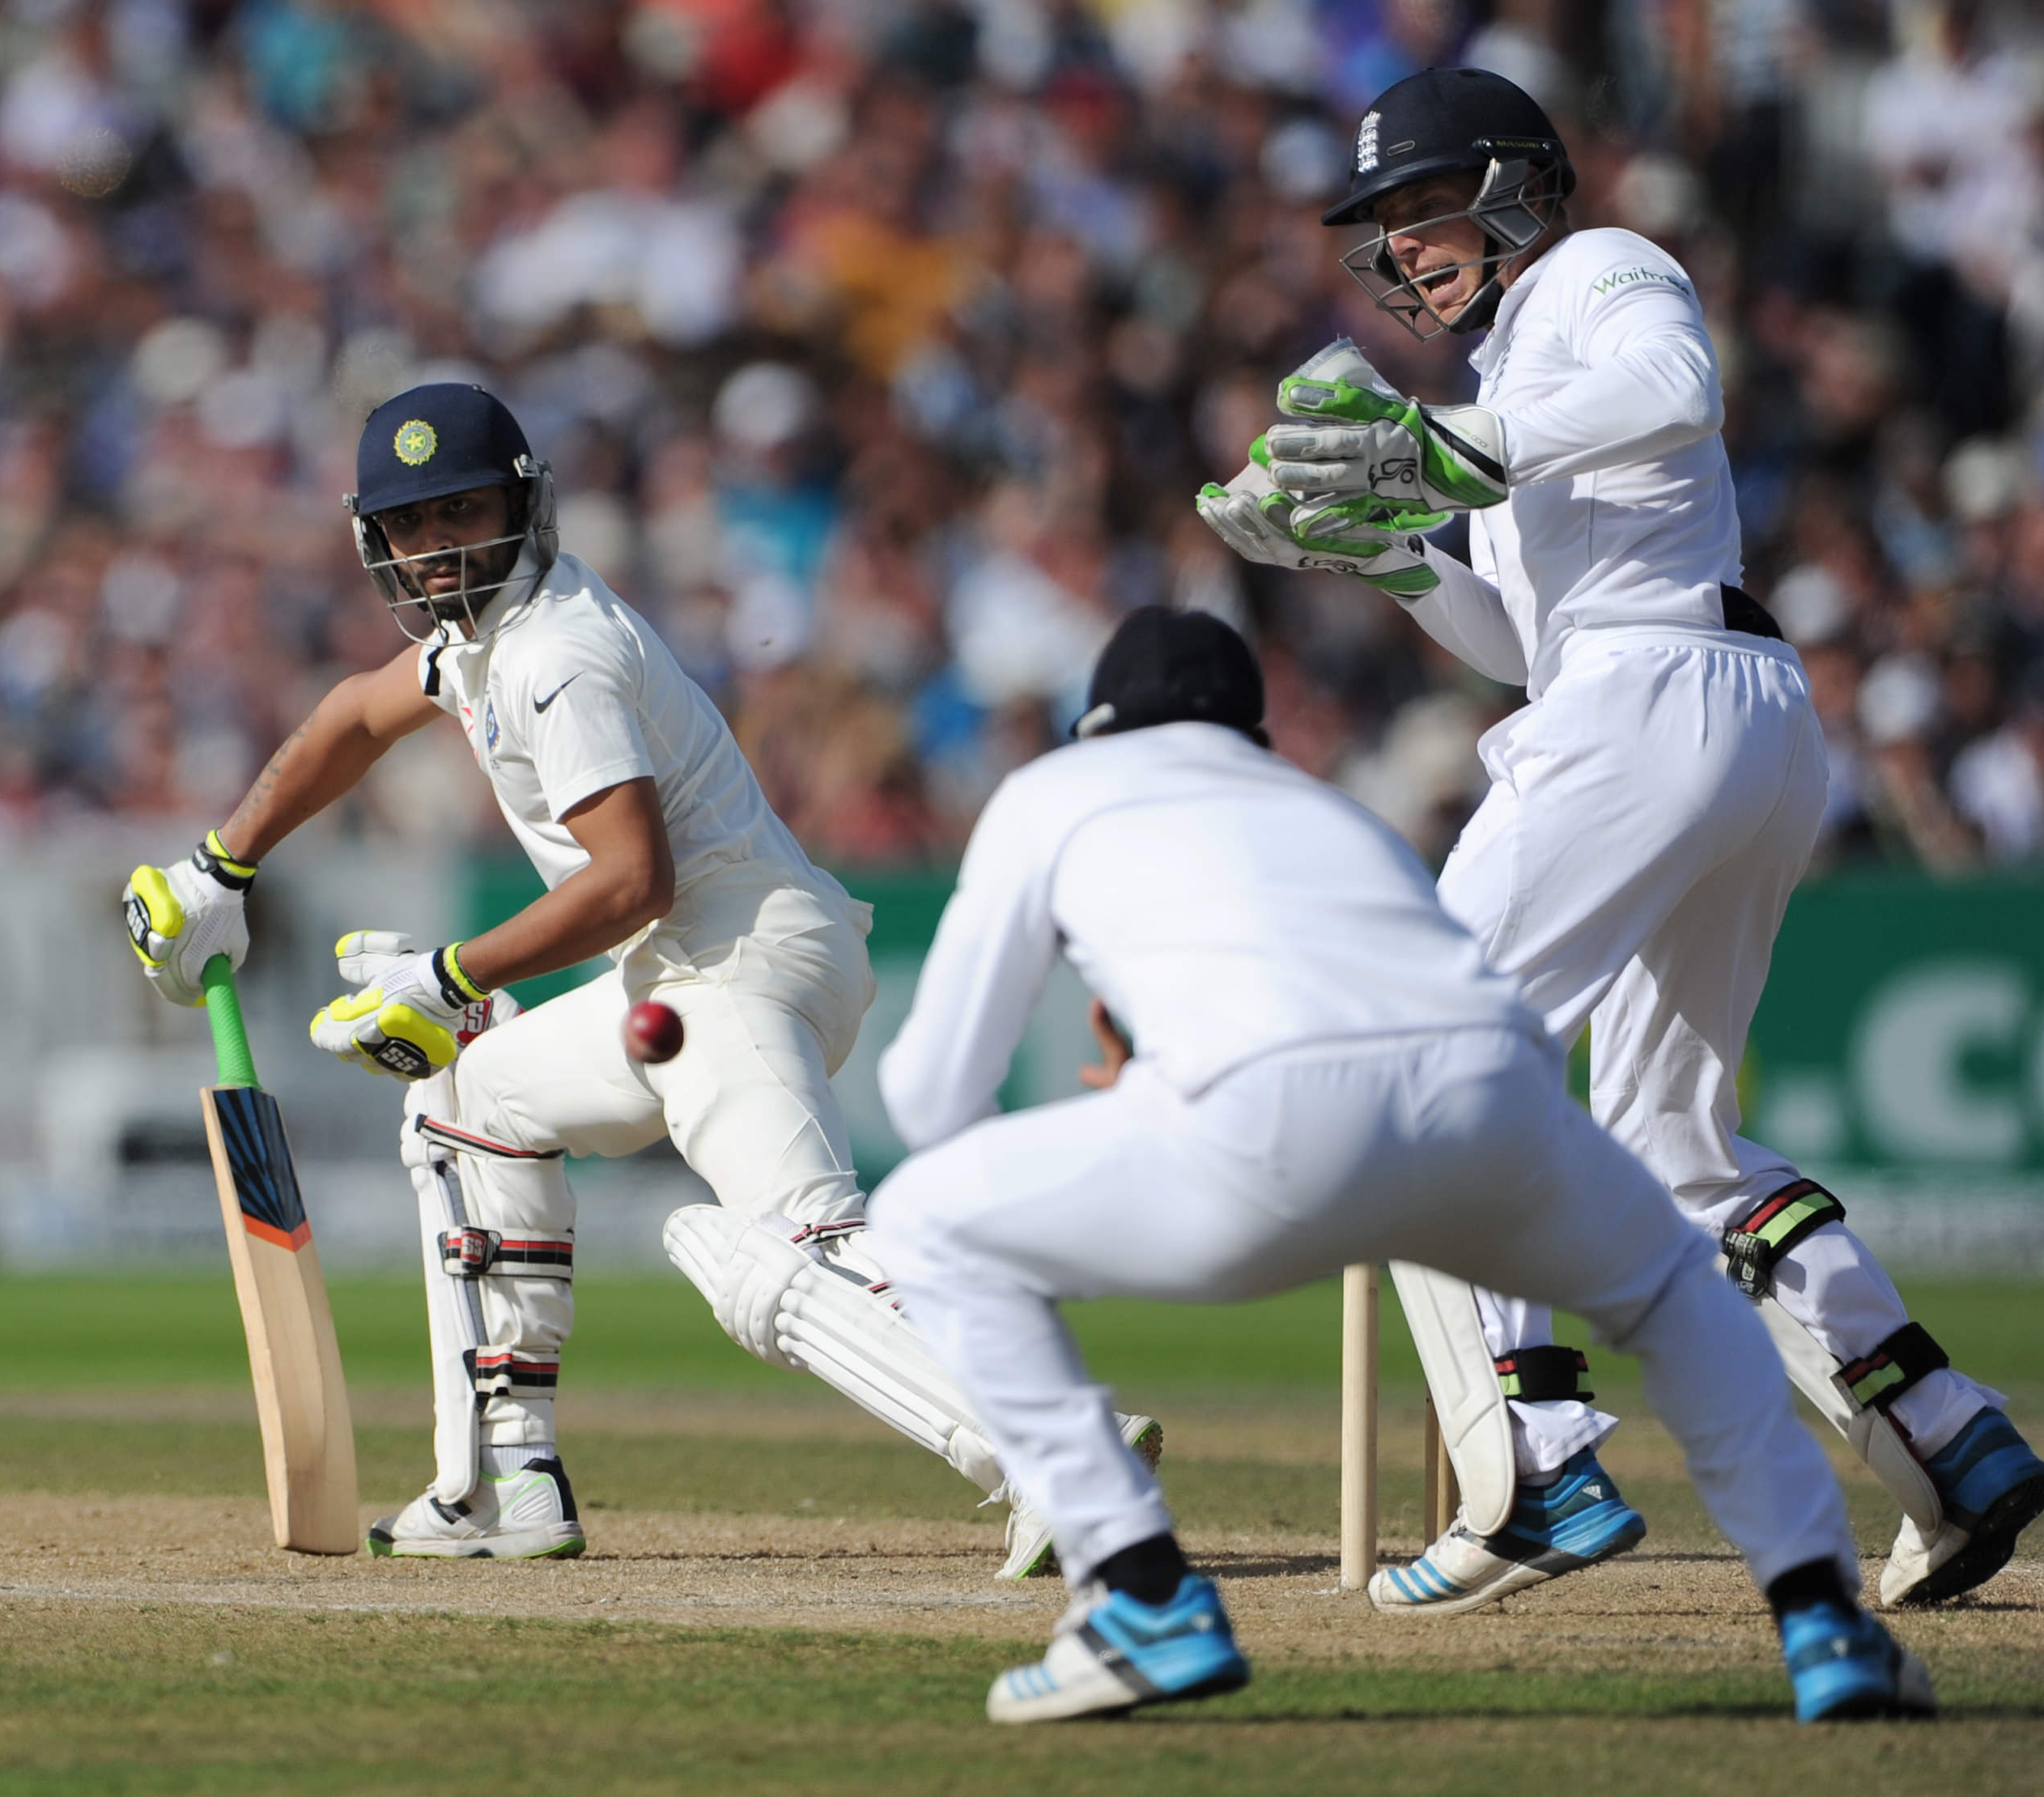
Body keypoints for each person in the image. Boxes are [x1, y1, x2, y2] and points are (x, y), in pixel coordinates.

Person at [1200, 65, 2042, 1615]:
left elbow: (1677, 389)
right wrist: (1384, 549)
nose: (1402, 245)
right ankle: (1947, 1433)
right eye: (1384, 222)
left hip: (1658, 697)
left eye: (1424, 205)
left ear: (1513, 185)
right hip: (1700, 704)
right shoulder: (1510, 373)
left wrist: (1442, 450)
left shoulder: (1600, 268)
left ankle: (1534, 1465)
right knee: (1671, 1141)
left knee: (1423, 1046)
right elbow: (1525, 643)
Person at [121, 382, 1150, 1568]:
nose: (438, 545)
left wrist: (450, 976)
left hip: (737, 962)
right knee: (467, 1103)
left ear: (521, 509)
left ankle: (1063, 1455)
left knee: (798, 1251)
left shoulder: (554, 655)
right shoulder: (475, 642)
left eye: (462, 512)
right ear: (375, 540)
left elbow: (630, 880)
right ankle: (505, 1482)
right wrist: (221, 866)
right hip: (684, 973)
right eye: (410, 524)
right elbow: (355, 717)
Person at [870, 605, 1933, 1726]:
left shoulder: (1050, 793)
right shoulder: (1327, 808)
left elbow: (932, 1095)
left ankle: (1140, 1594)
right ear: (1252, 731)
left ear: (1099, 727)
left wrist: (1109, 1150)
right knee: (1681, 1294)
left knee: (923, 1222)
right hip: (1495, 1102)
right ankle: (1824, 1616)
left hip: (1259, 1133)